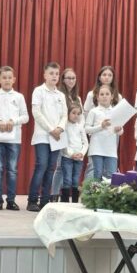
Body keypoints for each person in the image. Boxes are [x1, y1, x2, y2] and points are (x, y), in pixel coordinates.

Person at [0, 65, 29, 211]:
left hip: (14, 139)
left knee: (12, 170)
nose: (7, 80)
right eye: (4, 78)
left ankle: (11, 200)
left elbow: (25, 117)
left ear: (14, 79)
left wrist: (13, 121)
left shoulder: (19, 97)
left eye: (10, 78)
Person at [27, 62, 67, 212]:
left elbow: (64, 115)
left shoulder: (61, 95)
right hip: (43, 136)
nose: (54, 76)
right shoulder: (39, 91)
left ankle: (45, 201)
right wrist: (51, 129)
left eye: (56, 74)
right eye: (51, 73)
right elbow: (36, 113)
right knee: (41, 165)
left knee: (51, 168)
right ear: (44, 75)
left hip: (56, 136)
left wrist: (60, 128)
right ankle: (32, 200)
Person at [51, 68, 82, 201]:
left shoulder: (77, 98)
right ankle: (54, 194)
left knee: (70, 169)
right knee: (60, 166)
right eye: (68, 78)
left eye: (73, 78)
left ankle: (65, 194)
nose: (71, 80)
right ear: (63, 80)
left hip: (74, 134)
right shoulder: (59, 95)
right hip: (62, 132)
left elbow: (81, 117)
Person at [85, 84, 123, 180]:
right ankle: (94, 190)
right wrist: (101, 126)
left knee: (111, 175)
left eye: (107, 94)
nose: (104, 96)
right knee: (97, 174)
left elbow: (121, 132)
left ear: (112, 96)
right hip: (96, 148)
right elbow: (87, 129)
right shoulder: (93, 111)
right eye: (101, 94)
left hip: (111, 150)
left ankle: (107, 191)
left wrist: (118, 129)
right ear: (97, 97)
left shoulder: (115, 111)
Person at [60, 103, 88, 202]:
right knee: (67, 180)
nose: (76, 115)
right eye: (73, 113)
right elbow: (64, 142)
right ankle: (65, 202)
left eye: (78, 114)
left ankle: (75, 202)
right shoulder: (64, 126)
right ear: (68, 113)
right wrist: (71, 153)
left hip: (79, 158)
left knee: (76, 180)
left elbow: (85, 143)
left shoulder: (80, 127)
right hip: (67, 157)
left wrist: (82, 153)